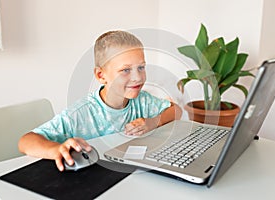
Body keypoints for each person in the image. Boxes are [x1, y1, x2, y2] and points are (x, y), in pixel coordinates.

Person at [18, 30, 182, 171]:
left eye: (141, 67)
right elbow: (26, 141)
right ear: (101, 76)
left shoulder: (142, 101)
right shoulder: (80, 114)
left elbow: (176, 110)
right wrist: (56, 149)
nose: (137, 77)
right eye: (125, 70)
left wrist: (152, 122)